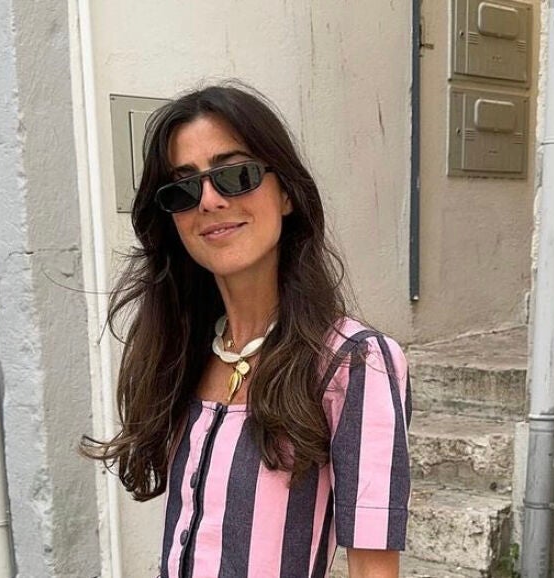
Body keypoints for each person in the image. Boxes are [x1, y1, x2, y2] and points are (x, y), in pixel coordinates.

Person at [83, 83, 411, 578]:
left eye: (236, 175)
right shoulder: (183, 352)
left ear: (286, 194)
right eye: (184, 189)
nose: (210, 201)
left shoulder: (352, 362)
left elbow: (373, 569)